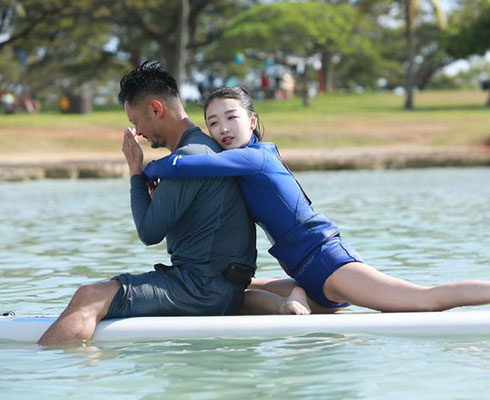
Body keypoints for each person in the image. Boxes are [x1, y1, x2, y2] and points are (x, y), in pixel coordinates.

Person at [144, 86, 490, 313]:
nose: (222, 129)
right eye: (213, 122)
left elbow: (191, 165)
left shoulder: (254, 159)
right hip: (303, 269)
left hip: (324, 260)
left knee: (425, 300)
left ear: (253, 120)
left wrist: (148, 167)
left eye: (231, 118)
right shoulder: (244, 163)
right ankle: (295, 298)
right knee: (238, 292)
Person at [36, 63, 304, 346]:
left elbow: (149, 233)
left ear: (156, 109)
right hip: (216, 287)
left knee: (89, 296)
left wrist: (135, 171)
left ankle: (41, 374)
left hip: (202, 290)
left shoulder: (189, 160)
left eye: (135, 120)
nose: (137, 132)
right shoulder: (200, 151)